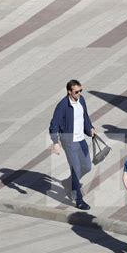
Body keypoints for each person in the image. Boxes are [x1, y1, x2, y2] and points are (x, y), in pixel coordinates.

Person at [49, 79, 95, 210]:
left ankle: (68, 182)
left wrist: (90, 128)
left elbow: (85, 117)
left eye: (81, 91)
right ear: (69, 92)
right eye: (76, 92)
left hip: (81, 140)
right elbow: (54, 124)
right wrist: (55, 142)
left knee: (87, 166)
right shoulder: (63, 105)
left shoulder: (82, 100)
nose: (79, 93)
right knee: (76, 169)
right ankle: (78, 200)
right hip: (69, 141)